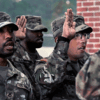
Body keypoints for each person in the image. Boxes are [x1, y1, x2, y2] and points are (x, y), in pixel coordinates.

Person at [34, 9, 93, 100]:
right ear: (58, 40)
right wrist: (64, 39)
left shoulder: (91, 63)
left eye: (85, 35)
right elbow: (49, 81)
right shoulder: (44, 66)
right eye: (76, 35)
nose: (83, 40)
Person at [9, 15, 48, 100]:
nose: (40, 34)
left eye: (41, 31)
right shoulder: (12, 57)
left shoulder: (41, 60)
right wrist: (15, 40)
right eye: (36, 30)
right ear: (22, 30)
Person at [0, 12, 34, 100]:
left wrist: (18, 41)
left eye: (10, 31)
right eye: (1, 31)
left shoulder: (21, 79)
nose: (8, 36)